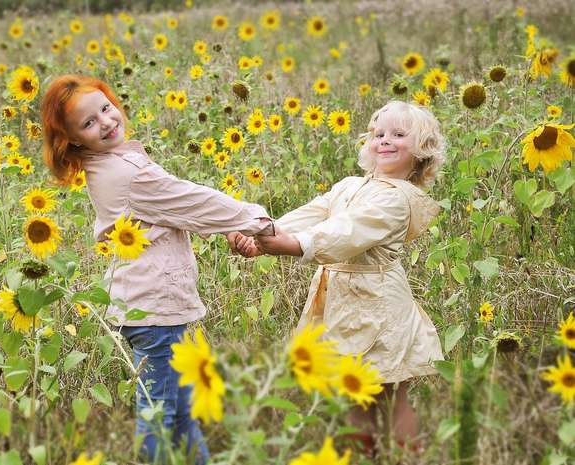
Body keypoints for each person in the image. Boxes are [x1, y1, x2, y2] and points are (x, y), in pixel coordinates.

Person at [40, 74, 274, 465]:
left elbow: (176, 210)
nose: (106, 121)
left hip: (151, 307)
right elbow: (192, 201)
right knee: (159, 413)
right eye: (88, 123)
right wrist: (256, 220)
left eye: (104, 108)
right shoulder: (126, 174)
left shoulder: (114, 162)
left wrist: (233, 226)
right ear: (74, 140)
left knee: (179, 411)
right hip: (155, 311)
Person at [233, 100, 446, 454]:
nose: (385, 140)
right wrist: (265, 232)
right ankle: (361, 457)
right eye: (378, 133)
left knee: (391, 396)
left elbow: (346, 232)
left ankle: (409, 459)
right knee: (352, 395)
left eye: (398, 134)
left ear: (422, 150)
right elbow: (315, 213)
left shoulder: (398, 199)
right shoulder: (349, 185)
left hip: (379, 307)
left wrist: (291, 245)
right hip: (342, 302)